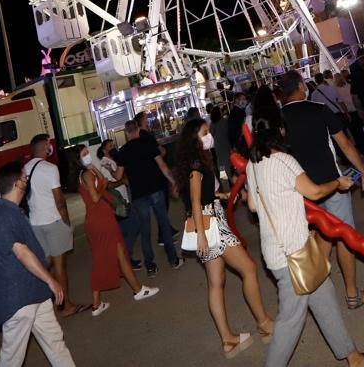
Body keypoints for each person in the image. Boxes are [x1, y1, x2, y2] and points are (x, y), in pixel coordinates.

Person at [245, 118, 364, 367]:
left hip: (280, 251)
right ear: (279, 133)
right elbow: (315, 192)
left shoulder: (253, 165)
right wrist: (338, 183)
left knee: (325, 297)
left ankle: (354, 357)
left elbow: (253, 205)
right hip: (292, 254)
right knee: (290, 321)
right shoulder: (285, 161)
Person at [278, 69, 364, 312]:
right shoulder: (318, 109)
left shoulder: (278, 119)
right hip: (333, 185)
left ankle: (315, 289)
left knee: (321, 236)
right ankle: (352, 294)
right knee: (344, 237)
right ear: (302, 86)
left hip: (302, 191)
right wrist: (363, 171)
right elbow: (344, 144)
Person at [175, 119, 274, 355]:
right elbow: (197, 202)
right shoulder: (197, 165)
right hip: (211, 224)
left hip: (209, 219)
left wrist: (223, 194)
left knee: (216, 283)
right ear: (195, 139)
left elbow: (201, 197)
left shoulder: (197, 162)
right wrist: (201, 236)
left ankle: (228, 339)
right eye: (205, 133)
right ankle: (264, 324)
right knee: (249, 268)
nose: (209, 135)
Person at [0, 162, 76, 367]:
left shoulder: (14, 211)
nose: (27, 181)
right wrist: (52, 281)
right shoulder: (3, 215)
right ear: (18, 182)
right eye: (25, 178)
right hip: (19, 299)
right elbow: (22, 252)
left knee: (56, 343)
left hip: (36, 293)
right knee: (11, 359)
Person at [77, 145, 159, 316]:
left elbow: (103, 183)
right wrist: (101, 183)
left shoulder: (87, 172)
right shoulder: (85, 174)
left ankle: (104, 301)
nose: (88, 156)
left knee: (119, 254)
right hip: (101, 221)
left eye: (87, 153)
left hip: (101, 219)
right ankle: (136, 291)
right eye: (84, 154)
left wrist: (95, 171)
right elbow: (95, 196)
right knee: (104, 260)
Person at [23, 134, 83, 317]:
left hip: (35, 223)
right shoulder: (50, 168)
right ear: (44, 148)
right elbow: (60, 201)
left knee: (45, 262)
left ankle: (39, 298)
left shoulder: (25, 168)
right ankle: (65, 305)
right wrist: (67, 224)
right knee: (59, 266)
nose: (51, 147)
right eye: (49, 144)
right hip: (52, 221)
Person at [114, 120, 182, 276]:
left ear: (126, 132)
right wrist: (174, 181)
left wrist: (110, 171)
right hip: (156, 190)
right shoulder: (149, 144)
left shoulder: (123, 151)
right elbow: (163, 166)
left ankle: (150, 266)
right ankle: (173, 260)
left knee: (145, 231)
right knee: (164, 225)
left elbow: (117, 175)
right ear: (138, 130)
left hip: (138, 195)